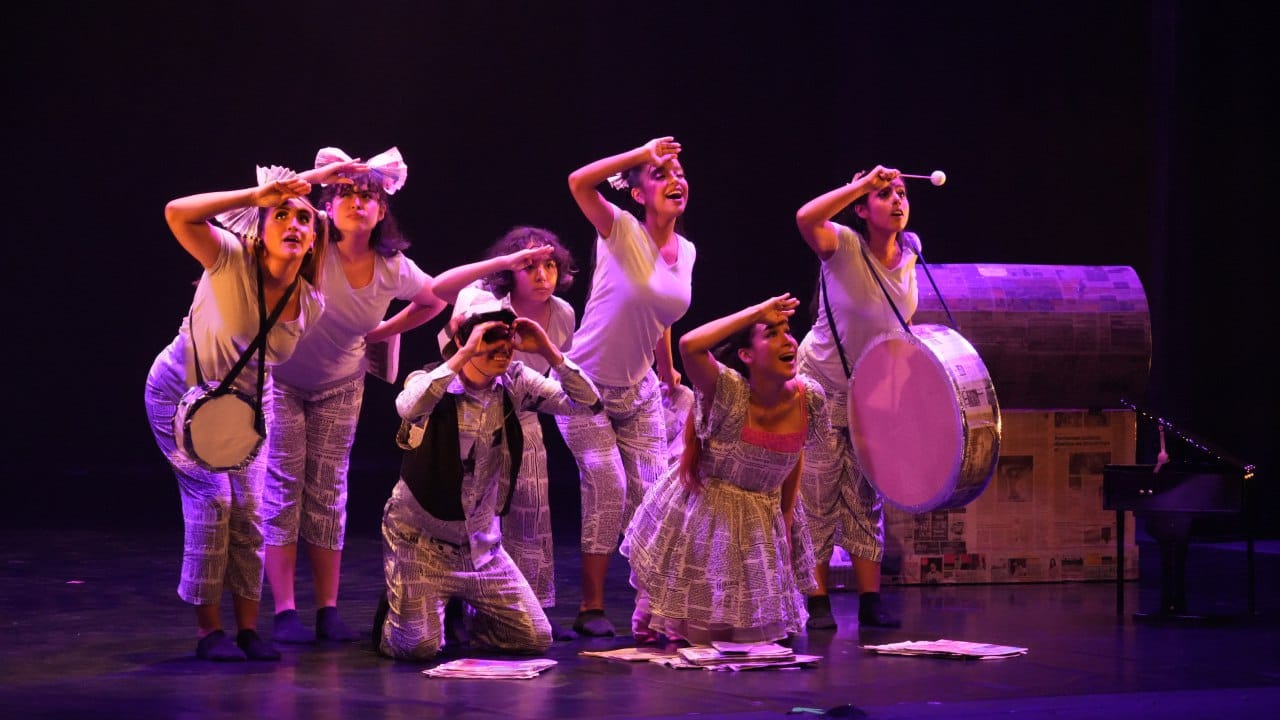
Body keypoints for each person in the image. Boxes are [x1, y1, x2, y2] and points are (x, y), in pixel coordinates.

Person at [144, 159, 357, 661]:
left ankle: (247, 629)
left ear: (314, 240)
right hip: (180, 391)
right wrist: (254, 196)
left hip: (248, 407)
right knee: (214, 503)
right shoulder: (229, 258)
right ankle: (209, 632)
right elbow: (177, 212)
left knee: (251, 513)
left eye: (303, 219)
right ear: (260, 230)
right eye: (281, 215)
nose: (294, 224)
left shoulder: (309, 302)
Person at [260, 146, 453, 645]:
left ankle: (327, 609)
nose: (357, 201)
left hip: (340, 386)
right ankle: (284, 611)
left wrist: (384, 331)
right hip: (281, 380)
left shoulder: (392, 267)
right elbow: (275, 201)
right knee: (283, 489)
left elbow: (434, 298)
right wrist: (324, 174)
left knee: (328, 492)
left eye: (368, 195)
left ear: (382, 210)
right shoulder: (309, 241)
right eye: (345, 193)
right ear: (327, 204)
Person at [372, 302, 603, 661]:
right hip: (421, 541)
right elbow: (408, 406)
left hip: (480, 547)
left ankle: (472, 614)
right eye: (491, 337)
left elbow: (588, 404)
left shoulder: (515, 381)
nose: (503, 348)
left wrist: (548, 350)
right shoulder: (432, 379)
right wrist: (465, 353)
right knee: (417, 647)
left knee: (535, 638)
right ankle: (398, 605)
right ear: (463, 339)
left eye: (508, 338)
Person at [622, 294, 825, 645]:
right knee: (698, 634)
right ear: (746, 355)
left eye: (787, 331)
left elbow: (794, 457)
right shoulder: (731, 391)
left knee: (749, 639)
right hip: (709, 513)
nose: (788, 341)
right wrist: (756, 311)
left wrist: (786, 521)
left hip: (761, 515)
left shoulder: (809, 398)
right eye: (771, 333)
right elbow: (690, 345)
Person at [558, 136, 696, 636]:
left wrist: (666, 368)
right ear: (638, 193)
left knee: (654, 495)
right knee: (608, 487)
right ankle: (591, 607)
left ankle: (653, 608)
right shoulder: (620, 228)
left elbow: (661, 312)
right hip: (584, 386)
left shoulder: (687, 251)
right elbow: (579, 181)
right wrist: (641, 154)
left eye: (679, 172)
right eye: (661, 174)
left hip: (639, 390)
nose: (675, 180)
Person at [429, 226, 580, 641]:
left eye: (550, 265)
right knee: (470, 514)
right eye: (529, 266)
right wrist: (501, 262)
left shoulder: (563, 314)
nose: (542, 275)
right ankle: (458, 605)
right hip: (472, 416)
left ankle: (530, 606)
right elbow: (438, 289)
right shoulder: (483, 300)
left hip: (524, 416)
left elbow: (553, 376)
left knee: (530, 512)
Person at [794, 166, 920, 629]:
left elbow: (900, 327)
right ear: (862, 209)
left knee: (866, 496)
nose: (897, 200)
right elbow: (805, 218)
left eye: (901, 193)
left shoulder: (911, 252)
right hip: (822, 386)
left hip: (871, 394)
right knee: (818, 494)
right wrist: (861, 185)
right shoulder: (842, 244)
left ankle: (870, 601)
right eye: (885, 194)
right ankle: (817, 602)